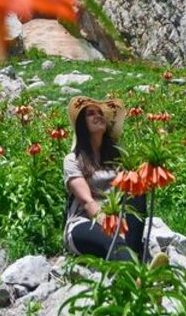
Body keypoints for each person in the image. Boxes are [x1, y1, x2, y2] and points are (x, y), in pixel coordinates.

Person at [62, 96, 147, 261]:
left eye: (100, 113)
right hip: (84, 222)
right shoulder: (73, 159)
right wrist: (110, 226)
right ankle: (135, 272)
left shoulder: (117, 156)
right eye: (90, 114)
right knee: (111, 241)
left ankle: (132, 258)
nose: (98, 116)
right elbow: (87, 202)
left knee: (138, 191)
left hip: (116, 218)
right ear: (82, 124)